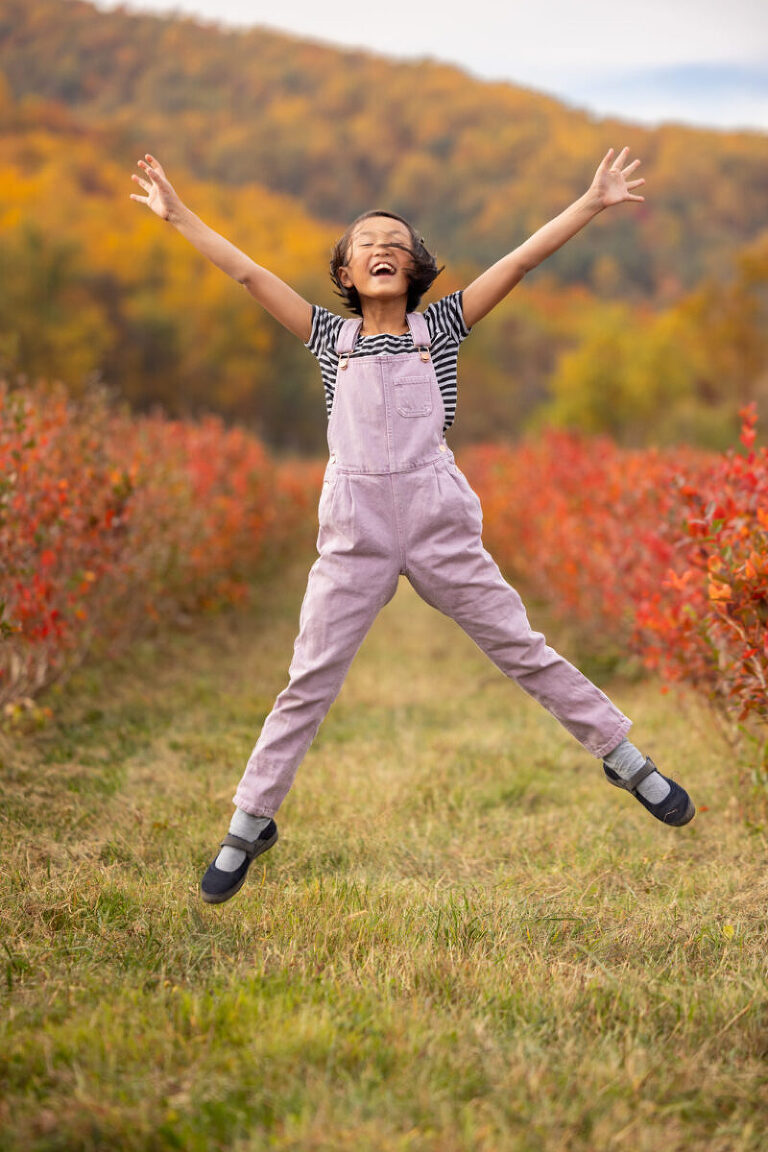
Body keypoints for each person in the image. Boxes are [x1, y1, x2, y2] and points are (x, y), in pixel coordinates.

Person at [130, 147, 695, 904]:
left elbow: (521, 260)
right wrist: (178, 216)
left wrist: (592, 202)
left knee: (520, 646)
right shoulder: (330, 339)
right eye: (366, 244)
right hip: (354, 531)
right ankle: (249, 819)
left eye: (396, 243)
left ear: (417, 267)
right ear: (346, 275)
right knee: (310, 680)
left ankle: (624, 756)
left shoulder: (445, 326)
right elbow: (247, 273)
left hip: (437, 521)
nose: (382, 249)